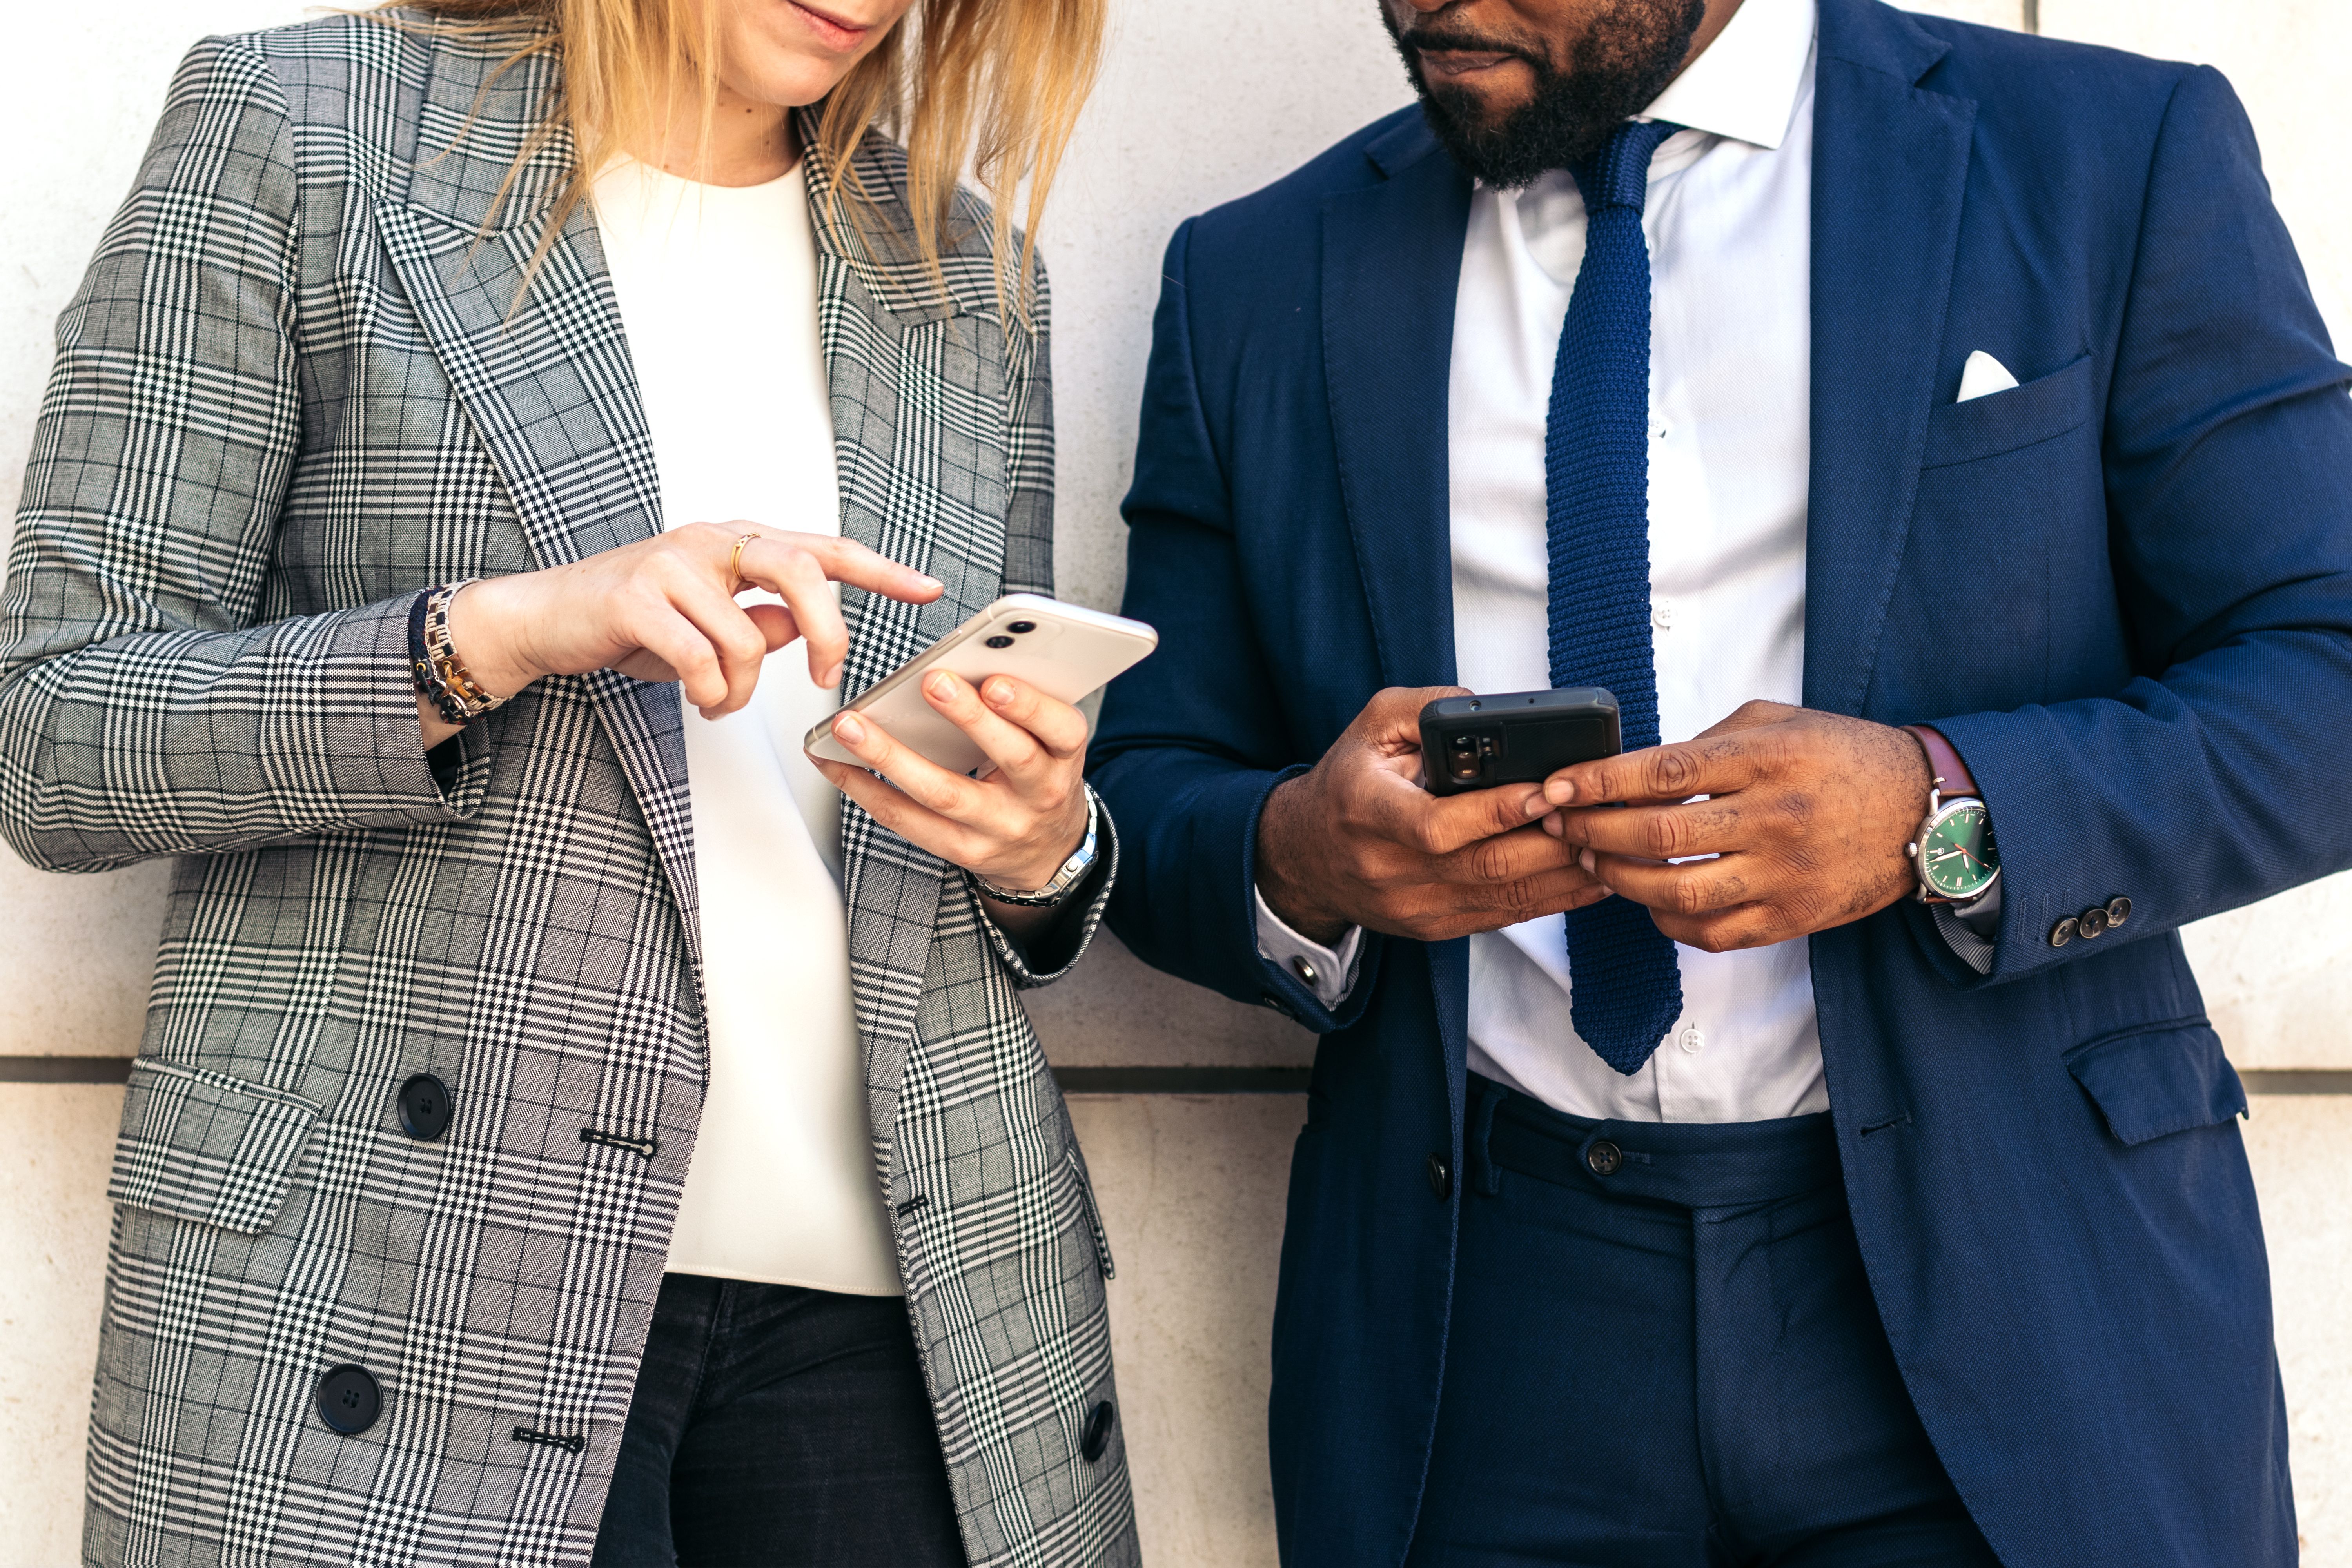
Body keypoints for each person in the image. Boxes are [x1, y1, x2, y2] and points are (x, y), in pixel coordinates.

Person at [1090, 0, 2352, 1561]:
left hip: (2022, 1288)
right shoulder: (1257, 278)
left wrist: (1934, 810)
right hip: (1489, 1326)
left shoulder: (2102, 157)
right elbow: (1141, 795)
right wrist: (1302, 854)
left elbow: (2324, 667)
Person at [0, 0, 1136, 1560]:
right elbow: (55, 729)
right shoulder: (308, 125)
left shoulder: (958, 264)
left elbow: (979, 816)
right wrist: (498, 635)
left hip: (917, 1317)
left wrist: (1043, 846)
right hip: (408, 1285)